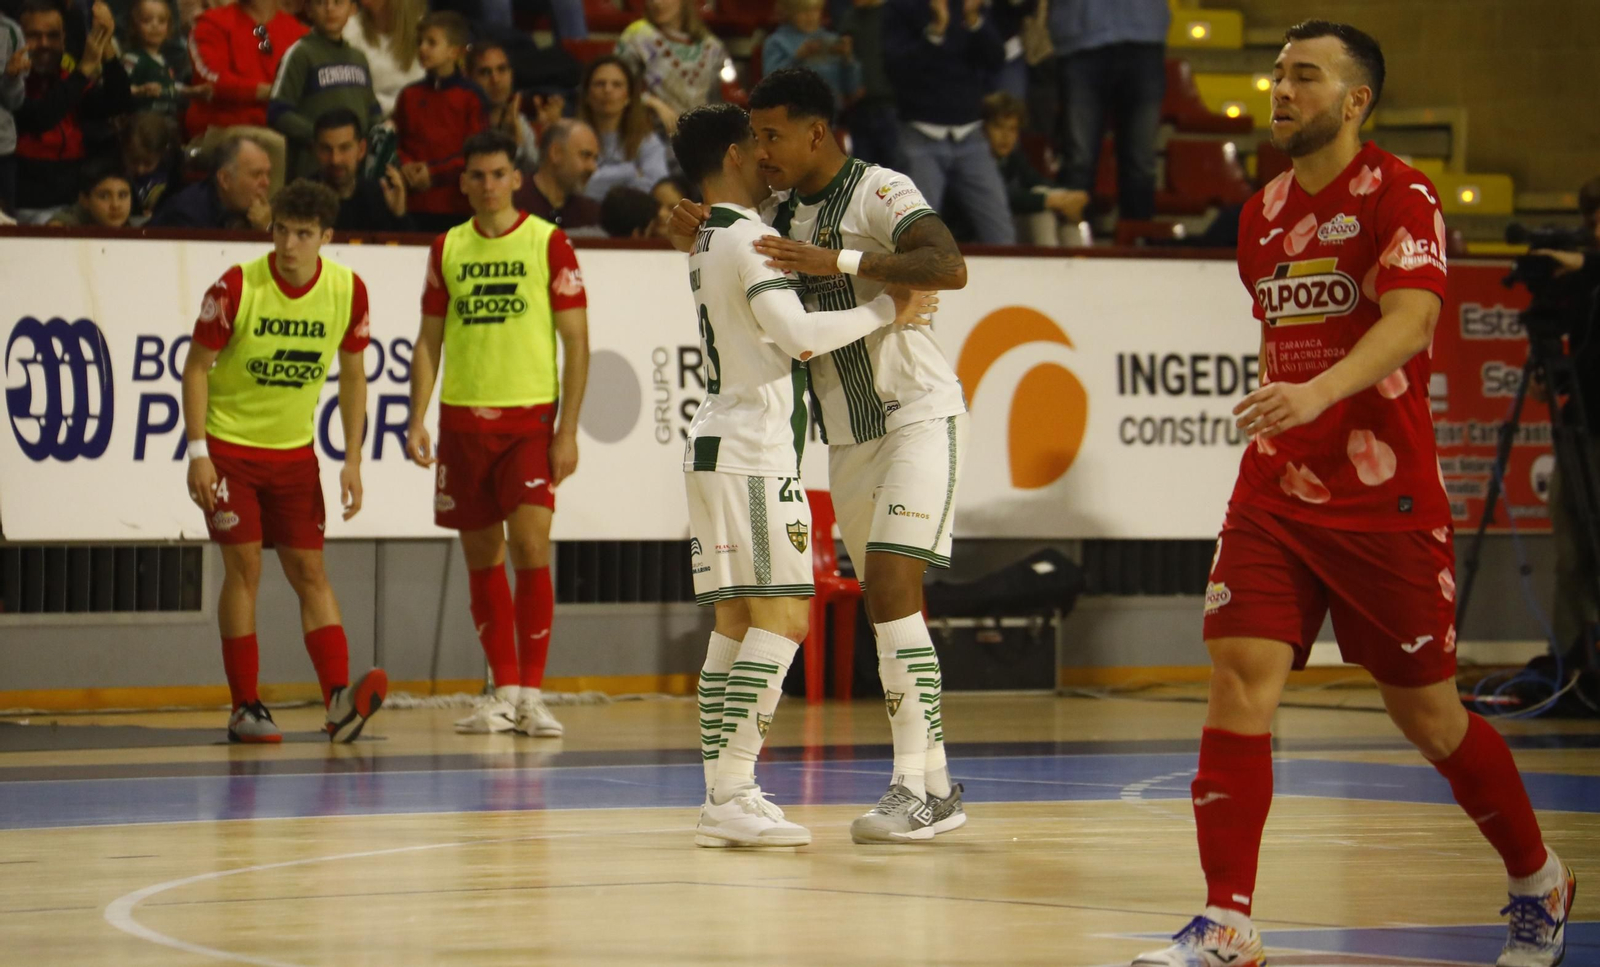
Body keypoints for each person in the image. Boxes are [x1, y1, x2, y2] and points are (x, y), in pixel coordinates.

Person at [1131, 22, 1575, 967]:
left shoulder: (1404, 194)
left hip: (1385, 502)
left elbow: (1412, 323)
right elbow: (1284, 335)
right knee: (1238, 673)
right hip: (1275, 494)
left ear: (1355, 100)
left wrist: (1318, 392)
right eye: (1276, 75)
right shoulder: (1261, 212)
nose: (1279, 91)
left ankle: (1539, 876)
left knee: (1431, 716)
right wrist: (1284, 409)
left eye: (1304, 77)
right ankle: (1228, 921)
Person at [670, 67, 971, 844]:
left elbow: (947, 265)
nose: (761, 150)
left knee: (892, 587)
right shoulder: (774, 211)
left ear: (815, 130)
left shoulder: (879, 189)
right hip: (846, 431)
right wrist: (685, 216)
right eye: (753, 138)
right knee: (873, 599)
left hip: (916, 412)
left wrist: (841, 266)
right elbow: (725, 223)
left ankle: (912, 784)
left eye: (771, 134)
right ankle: (935, 783)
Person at [179, 178, 388, 745]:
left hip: (294, 455)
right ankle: (245, 704)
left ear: (326, 236)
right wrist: (199, 453)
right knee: (244, 569)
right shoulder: (236, 286)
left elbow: (351, 374)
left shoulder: (348, 290)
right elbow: (195, 367)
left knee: (310, 573)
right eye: (280, 231)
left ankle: (339, 701)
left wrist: (351, 459)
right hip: (230, 450)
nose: (289, 245)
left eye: (302, 234)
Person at [406, 130, 590, 738]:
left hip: (528, 420)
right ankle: (502, 692)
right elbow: (429, 341)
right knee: (481, 559)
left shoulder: (548, 242)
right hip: (462, 421)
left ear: (517, 178)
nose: (487, 185)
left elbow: (577, 342)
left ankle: (532, 694)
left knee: (531, 548)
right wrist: (416, 417)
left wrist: (567, 431)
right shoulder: (447, 247)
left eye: (497, 174)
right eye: (476, 176)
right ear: (463, 183)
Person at [1530, 176, 1600, 661]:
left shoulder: (1591, 269)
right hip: (1581, 423)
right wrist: (1546, 375)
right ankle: (1571, 662)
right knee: (1571, 550)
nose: (1596, 230)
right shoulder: (1581, 281)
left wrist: (1585, 265)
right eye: (1592, 222)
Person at [882, 0, 1015, 244]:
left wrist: (974, 19)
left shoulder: (968, 5)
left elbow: (996, 59)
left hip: (970, 134)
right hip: (920, 135)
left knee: (1002, 234)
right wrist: (936, 31)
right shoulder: (900, 7)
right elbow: (897, 69)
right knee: (919, 239)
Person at [1048, 0, 1167, 223]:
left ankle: (1139, 246)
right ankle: (1072, 244)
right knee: (1078, 160)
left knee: (1140, 160)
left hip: (1143, 36)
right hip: (1080, 38)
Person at [15, 0, 133, 216]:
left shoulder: (67, 79)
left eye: (53, 36)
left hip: (74, 199)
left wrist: (104, 45)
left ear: (64, 39)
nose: (44, 43)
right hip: (29, 204)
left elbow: (118, 102)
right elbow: (40, 118)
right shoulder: (10, 83)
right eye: (33, 35)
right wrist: (85, 69)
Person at [184, 0, 304, 193]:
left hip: (280, 129)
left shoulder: (298, 32)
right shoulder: (211, 22)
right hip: (220, 131)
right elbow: (211, 79)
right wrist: (265, 91)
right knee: (272, 143)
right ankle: (267, 220)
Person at [392, 10, 486, 232]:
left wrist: (432, 174)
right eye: (420, 42)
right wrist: (406, 167)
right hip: (413, 203)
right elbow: (398, 143)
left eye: (431, 43)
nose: (422, 48)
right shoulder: (409, 95)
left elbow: (476, 153)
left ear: (454, 51)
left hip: (457, 205)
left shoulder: (471, 97)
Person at [268, 0, 379, 179]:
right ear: (309, 10)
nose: (330, 9)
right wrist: (322, 138)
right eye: (320, 2)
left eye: (338, 2)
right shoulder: (300, 54)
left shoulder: (359, 58)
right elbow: (277, 112)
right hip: (312, 171)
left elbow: (373, 111)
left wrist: (381, 131)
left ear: (352, 9)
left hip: (355, 174)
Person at [980, 90, 1085, 245]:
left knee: (1063, 214)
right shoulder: (972, 161)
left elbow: (1037, 181)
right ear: (983, 129)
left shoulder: (1013, 158)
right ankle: (1047, 263)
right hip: (978, 235)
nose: (1006, 136)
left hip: (1008, 229)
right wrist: (1047, 201)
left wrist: (1069, 196)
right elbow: (1001, 197)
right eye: (998, 127)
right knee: (1040, 212)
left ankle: (1077, 264)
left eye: (1012, 129)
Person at [615, 0, 726, 132]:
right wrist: (653, 103)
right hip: (652, 132)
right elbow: (616, 85)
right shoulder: (637, 36)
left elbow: (719, 98)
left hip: (701, 133)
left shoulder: (712, 46)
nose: (657, 3)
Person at [577, 55, 668, 203]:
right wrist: (631, 172)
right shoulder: (573, 138)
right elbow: (577, 189)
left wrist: (596, 179)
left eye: (617, 85)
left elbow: (657, 191)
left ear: (628, 96)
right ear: (587, 95)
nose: (607, 90)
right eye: (600, 84)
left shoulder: (647, 140)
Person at [311, 105, 407, 230]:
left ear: (361, 149)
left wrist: (398, 214)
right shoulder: (299, 199)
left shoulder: (379, 196)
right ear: (315, 150)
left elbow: (407, 246)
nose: (335, 159)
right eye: (326, 149)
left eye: (344, 148)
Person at [150, 130, 271, 228]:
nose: (266, 182)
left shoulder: (261, 216)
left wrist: (267, 229)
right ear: (225, 179)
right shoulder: (186, 215)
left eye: (267, 174)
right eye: (256, 175)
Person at [762, 0, 860, 115]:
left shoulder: (832, 41)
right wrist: (798, 57)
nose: (810, 17)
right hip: (791, 118)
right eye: (802, 12)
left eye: (814, 10)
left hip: (829, 117)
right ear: (790, 13)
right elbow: (771, 84)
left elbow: (852, 88)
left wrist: (848, 59)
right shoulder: (776, 42)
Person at [510, 117, 601, 233]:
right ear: (556, 153)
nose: (593, 168)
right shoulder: (512, 204)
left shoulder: (591, 214)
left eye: (595, 159)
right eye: (585, 155)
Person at [836, 0, 898, 169]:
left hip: (893, 107)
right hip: (858, 108)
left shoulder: (896, 13)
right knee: (864, 174)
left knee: (897, 172)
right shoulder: (849, 17)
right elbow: (843, 61)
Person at [122, 0, 204, 117]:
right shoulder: (132, 59)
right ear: (135, 26)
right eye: (146, 20)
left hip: (168, 118)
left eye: (161, 21)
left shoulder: (163, 61)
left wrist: (194, 91)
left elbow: (170, 85)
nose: (155, 25)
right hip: (144, 120)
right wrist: (140, 90)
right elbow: (119, 89)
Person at [341, 0, 422, 118]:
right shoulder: (349, 31)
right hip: (372, 121)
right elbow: (350, 94)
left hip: (419, 120)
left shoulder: (425, 31)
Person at [469, 40, 537, 170]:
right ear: (469, 78)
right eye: (485, 72)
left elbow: (533, 174)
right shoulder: (462, 123)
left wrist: (518, 140)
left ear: (511, 74)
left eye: (502, 69)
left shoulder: (519, 122)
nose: (495, 79)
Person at [120, 108, 181, 219]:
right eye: (134, 161)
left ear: (161, 154)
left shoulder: (173, 172)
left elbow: (176, 202)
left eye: (148, 163)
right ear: (123, 151)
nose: (140, 169)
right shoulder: (114, 173)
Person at [46, 157, 132, 225]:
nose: (115, 205)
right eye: (104, 196)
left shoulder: (137, 228)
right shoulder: (64, 228)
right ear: (84, 200)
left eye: (123, 195)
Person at [1, 7, 23, 214]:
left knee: (5, 228)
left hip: (2, 149)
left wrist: (11, 78)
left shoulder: (11, 31)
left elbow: (16, 102)